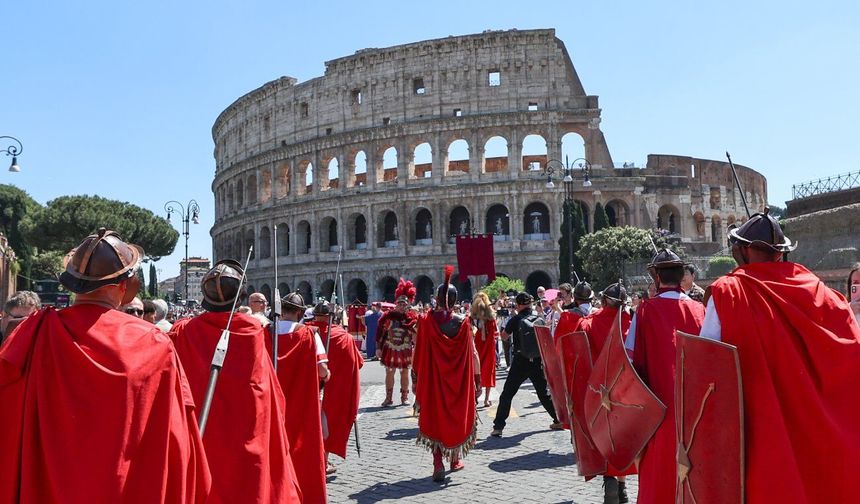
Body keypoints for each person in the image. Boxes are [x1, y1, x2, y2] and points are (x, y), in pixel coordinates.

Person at [0, 228, 211, 503]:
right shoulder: (152, 343)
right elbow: (176, 438)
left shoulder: (34, 334)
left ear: (71, 284)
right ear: (124, 286)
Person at [699, 211, 860, 502]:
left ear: (743, 250)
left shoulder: (728, 293)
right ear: (780, 252)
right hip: (821, 434)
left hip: (764, 436)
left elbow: (705, 374)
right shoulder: (827, 295)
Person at [169, 259, 301, 503]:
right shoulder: (253, 329)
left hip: (204, 425)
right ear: (241, 297)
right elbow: (268, 386)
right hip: (247, 425)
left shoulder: (185, 330)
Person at [623, 248, 705, 504]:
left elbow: (629, 362)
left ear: (657, 277)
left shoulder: (645, 311)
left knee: (658, 481)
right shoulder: (701, 310)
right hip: (696, 414)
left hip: (657, 414)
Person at [414, 266, 478, 482]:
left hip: (432, 382)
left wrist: (416, 380)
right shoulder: (462, 322)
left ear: (437, 299)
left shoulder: (425, 322)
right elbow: (471, 356)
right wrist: (476, 381)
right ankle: (454, 459)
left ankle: (437, 462)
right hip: (457, 384)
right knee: (455, 417)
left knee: (435, 419)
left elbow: (419, 354)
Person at [575, 282, 635, 503]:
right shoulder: (633, 323)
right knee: (624, 441)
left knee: (607, 440)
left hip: (599, 393)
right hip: (629, 392)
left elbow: (578, 358)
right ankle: (621, 486)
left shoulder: (588, 322)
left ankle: (611, 481)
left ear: (602, 301)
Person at [270, 292, 330, 502]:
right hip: (301, 403)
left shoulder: (264, 333)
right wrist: (327, 375)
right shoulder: (309, 333)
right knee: (302, 450)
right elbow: (322, 370)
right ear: (299, 313)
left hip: (272, 404)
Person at [491, 292, 562, 437]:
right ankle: (558, 419)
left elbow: (504, 336)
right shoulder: (539, 318)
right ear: (530, 303)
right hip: (536, 361)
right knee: (543, 394)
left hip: (520, 361)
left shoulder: (515, 319)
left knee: (507, 394)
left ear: (518, 305)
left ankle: (498, 427)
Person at [307, 301, 364, 476]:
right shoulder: (343, 336)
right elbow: (358, 363)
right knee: (327, 428)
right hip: (333, 391)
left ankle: (312, 463)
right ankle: (322, 462)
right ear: (332, 317)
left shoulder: (304, 332)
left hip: (307, 389)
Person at [375, 279, 418, 406]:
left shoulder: (411, 318)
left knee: (404, 371)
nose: (401, 306)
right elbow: (380, 333)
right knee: (389, 371)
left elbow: (416, 334)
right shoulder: (387, 316)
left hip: (405, 347)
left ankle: (404, 396)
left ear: (407, 305)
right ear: (396, 304)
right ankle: (388, 397)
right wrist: (378, 348)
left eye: (404, 304)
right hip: (390, 347)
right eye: (399, 304)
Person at [470, 292, 498, 408]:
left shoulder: (472, 319)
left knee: (475, 371)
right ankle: (486, 399)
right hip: (488, 348)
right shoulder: (491, 319)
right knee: (488, 371)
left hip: (476, 347)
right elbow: (495, 334)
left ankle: (474, 398)